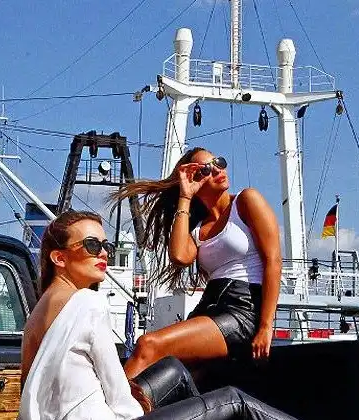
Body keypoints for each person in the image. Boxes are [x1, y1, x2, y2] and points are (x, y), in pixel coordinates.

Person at [14, 210, 359, 420]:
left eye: (106, 244)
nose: (103, 252)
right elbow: (118, 400)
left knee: (172, 372)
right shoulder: (87, 304)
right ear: (59, 257)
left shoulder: (39, 313)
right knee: (232, 401)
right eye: (91, 245)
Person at [111, 147, 281, 379]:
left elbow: (273, 261)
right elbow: (180, 256)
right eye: (206, 170)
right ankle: (125, 402)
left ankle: (109, 403)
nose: (217, 170)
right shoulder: (199, 229)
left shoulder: (246, 201)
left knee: (147, 345)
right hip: (209, 308)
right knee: (164, 374)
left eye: (219, 162)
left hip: (242, 310)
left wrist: (266, 326)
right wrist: (185, 196)